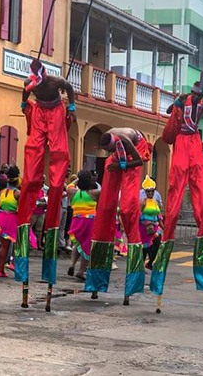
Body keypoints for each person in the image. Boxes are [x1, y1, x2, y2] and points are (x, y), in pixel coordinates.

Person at [154, 77, 203, 300]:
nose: (199, 96)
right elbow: (171, 111)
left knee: (201, 199)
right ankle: (160, 264)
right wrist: (176, 105)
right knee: (173, 200)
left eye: (201, 94)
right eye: (198, 93)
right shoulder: (183, 100)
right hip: (182, 142)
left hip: (194, 144)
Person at [16, 58, 75, 289]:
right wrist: (24, 105)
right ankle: (31, 186)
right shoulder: (30, 83)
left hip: (57, 110)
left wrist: (71, 107)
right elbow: (24, 92)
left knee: (59, 152)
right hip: (39, 112)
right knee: (33, 151)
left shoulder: (55, 81)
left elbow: (69, 88)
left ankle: (48, 264)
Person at [85, 128, 149, 299]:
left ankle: (133, 279)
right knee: (105, 208)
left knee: (128, 209)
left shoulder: (125, 141)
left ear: (116, 142)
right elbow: (113, 155)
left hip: (135, 154)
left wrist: (123, 165)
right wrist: (116, 161)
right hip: (120, 158)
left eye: (111, 150)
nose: (109, 152)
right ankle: (96, 280)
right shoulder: (108, 140)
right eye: (108, 151)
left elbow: (138, 162)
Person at [67, 171, 100, 280]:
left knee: (78, 244)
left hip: (76, 220)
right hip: (89, 222)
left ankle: (72, 264)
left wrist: (79, 179)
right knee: (87, 246)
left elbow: (71, 184)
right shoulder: (94, 193)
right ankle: (81, 271)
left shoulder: (72, 192)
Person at [0, 166, 21, 277]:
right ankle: (13, 264)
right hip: (13, 219)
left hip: (1, 218)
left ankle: (0, 270)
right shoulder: (18, 193)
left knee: (3, 246)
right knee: (17, 243)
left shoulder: (1, 192)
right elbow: (20, 210)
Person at [139, 176, 163, 271]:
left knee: (157, 244)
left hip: (154, 227)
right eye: (148, 191)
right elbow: (138, 215)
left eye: (152, 191)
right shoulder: (143, 202)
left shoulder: (155, 202)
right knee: (144, 248)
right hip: (144, 228)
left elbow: (159, 216)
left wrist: (165, 228)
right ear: (145, 192)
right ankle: (141, 266)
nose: (150, 193)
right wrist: (145, 222)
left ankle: (150, 263)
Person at [30, 176, 47, 250]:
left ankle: (39, 244)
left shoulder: (44, 190)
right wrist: (39, 203)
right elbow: (33, 200)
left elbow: (46, 199)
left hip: (41, 212)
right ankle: (30, 244)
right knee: (30, 228)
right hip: (34, 212)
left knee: (39, 230)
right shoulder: (34, 190)